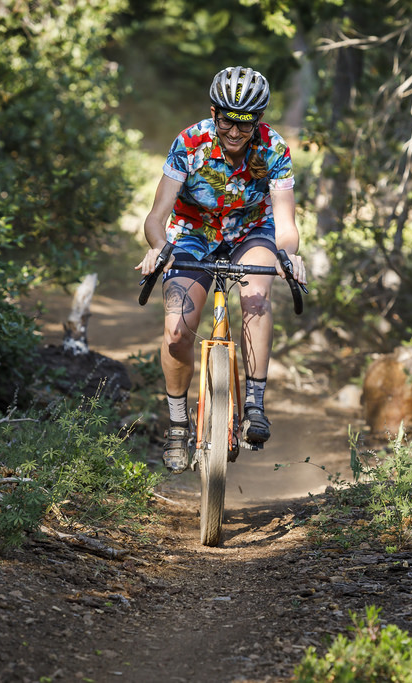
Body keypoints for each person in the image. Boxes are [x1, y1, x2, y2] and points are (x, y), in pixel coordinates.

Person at [136, 65, 308, 474]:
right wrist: (159, 248)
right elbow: (155, 217)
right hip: (193, 232)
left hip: (252, 231)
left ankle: (255, 403)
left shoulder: (274, 148)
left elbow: (286, 226)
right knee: (177, 328)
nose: (235, 132)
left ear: (258, 122)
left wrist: (289, 255)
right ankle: (178, 425)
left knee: (256, 295)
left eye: (245, 125)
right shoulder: (189, 142)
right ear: (214, 113)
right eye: (228, 121)